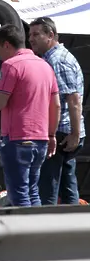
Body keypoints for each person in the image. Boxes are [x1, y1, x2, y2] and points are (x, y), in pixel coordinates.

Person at [0, 24, 61, 207]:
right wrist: (51, 135)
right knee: (33, 191)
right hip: (41, 139)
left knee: (19, 195)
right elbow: (56, 105)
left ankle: (25, 235)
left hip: (17, 138)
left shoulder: (10, 66)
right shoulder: (46, 66)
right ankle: (38, 232)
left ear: (7, 45)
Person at [29, 17, 85, 205]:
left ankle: (49, 228)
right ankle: (72, 227)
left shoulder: (57, 61)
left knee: (48, 188)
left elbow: (73, 99)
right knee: (67, 186)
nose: (31, 39)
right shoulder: (50, 58)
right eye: (30, 35)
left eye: (36, 34)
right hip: (64, 131)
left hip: (61, 131)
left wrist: (75, 134)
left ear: (50, 35)